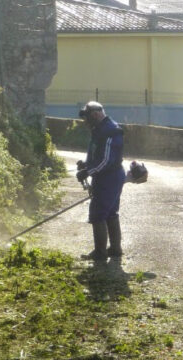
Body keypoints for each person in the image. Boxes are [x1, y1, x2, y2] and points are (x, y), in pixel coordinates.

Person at [76, 101, 126, 261]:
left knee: (98, 213)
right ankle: (115, 249)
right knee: (110, 212)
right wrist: (86, 164)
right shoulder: (99, 129)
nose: (86, 122)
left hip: (110, 177)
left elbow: (106, 161)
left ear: (96, 115)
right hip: (107, 176)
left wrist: (87, 171)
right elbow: (97, 154)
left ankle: (100, 252)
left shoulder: (110, 131)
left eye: (87, 118)